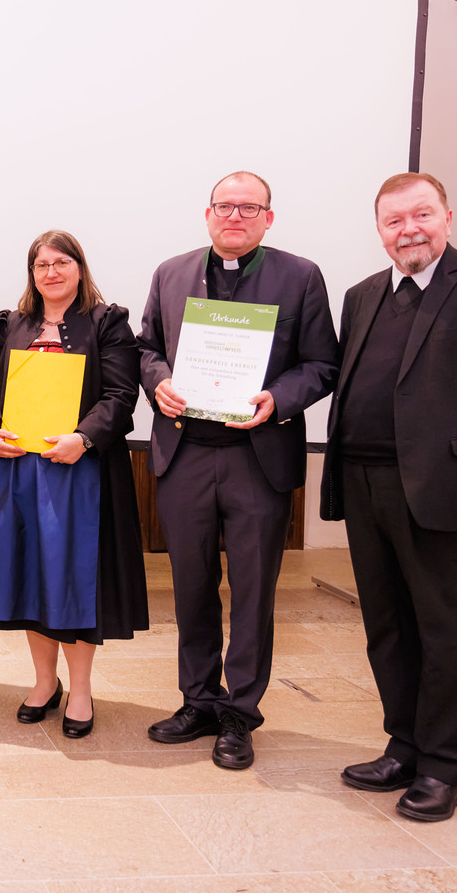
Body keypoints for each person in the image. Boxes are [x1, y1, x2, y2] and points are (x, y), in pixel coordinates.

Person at [322, 172, 457, 822]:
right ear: (379, 230)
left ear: (447, 216)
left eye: (421, 215)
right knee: (386, 625)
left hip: (440, 490)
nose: (408, 230)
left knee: (440, 628)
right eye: (394, 221)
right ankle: (404, 745)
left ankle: (444, 765)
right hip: (363, 483)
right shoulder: (362, 295)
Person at [138, 171, 339, 770]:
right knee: (192, 586)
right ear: (208, 214)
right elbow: (147, 348)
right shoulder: (170, 273)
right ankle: (199, 700)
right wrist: (159, 382)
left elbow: (322, 363)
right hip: (186, 455)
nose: (235, 216)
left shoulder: (301, 276)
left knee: (253, 592)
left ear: (268, 218)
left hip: (258, 456)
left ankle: (239, 714)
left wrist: (279, 397)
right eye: (225, 206)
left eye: (249, 208)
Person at [0, 230, 146, 740]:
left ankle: (80, 690)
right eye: (41, 264)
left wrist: (83, 438)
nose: (51, 272)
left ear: (79, 268)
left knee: (72, 582)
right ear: (32, 273)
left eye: (62, 262)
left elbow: (120, 394)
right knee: (30, 578)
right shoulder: (10, 324)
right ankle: (45, 682)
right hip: (18, 471)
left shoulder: (107, 323)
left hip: (80, 472)